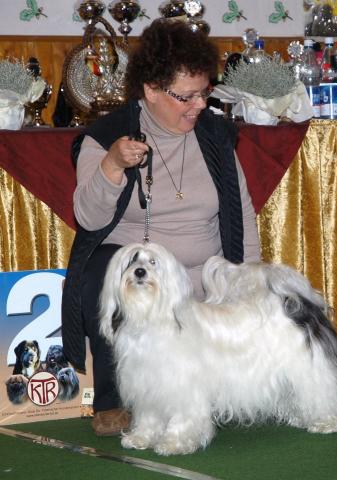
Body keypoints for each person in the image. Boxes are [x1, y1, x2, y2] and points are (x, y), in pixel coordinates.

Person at [62, 18, 261, 436]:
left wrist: (248, 278)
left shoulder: (215, 136)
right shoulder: (107, 137)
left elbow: (240, 211)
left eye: (204, 93)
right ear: (150, 90)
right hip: (140, 283)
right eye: (185, 97)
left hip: (201, 279)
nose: (199, 106)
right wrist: (112, 166)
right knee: (100, 269)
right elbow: (89, 218)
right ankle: (113, 398)